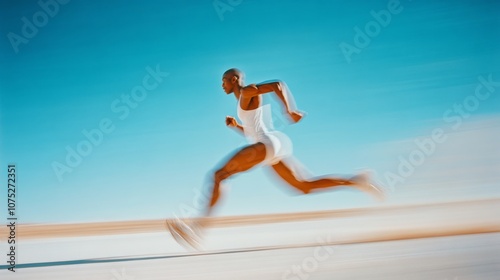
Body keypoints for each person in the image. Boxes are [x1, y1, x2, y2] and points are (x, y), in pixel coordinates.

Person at [167, 68, 384, 248]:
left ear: (234, 79)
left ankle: (196, 229)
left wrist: (290, 110)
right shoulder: (244, 101)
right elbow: (254, 132)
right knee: (303, 186)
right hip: (272, 145)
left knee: (218, 175)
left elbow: (277, 84)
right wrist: (236, 126)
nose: (221, 85)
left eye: (223, 80)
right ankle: (357, 181)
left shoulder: (246, 92)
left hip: (265, 146)